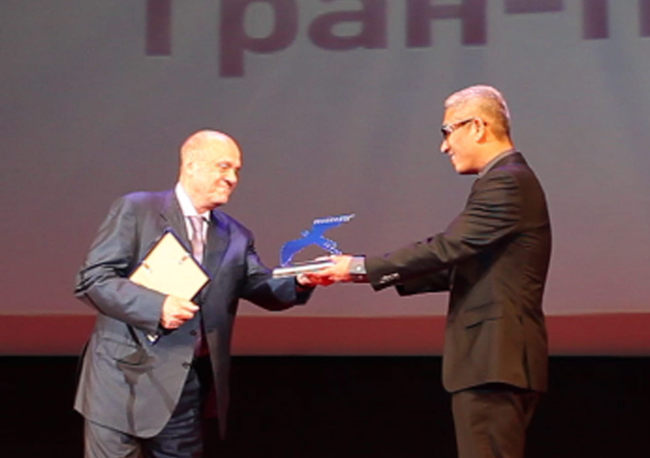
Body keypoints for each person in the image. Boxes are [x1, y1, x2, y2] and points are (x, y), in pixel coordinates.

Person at [308, 85, 551, 458]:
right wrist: (354, 273)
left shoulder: (507, 181)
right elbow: (457, 268)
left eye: (447, 131)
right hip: (493, 363)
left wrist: (359, 265)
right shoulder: (505, 179)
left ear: (476, 127)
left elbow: (446, 248)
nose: (444, 146)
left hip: (495, 362)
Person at [74, 129, 316, 457]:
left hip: (185, 386)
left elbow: (262, 286)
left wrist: (303, 279)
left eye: (237, 171)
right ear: (191, 165)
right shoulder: (138, 210)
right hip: (120, 379)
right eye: (223, 167)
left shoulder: (236, 235)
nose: (231, 178)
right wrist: (156, 306)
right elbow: (94, 279)